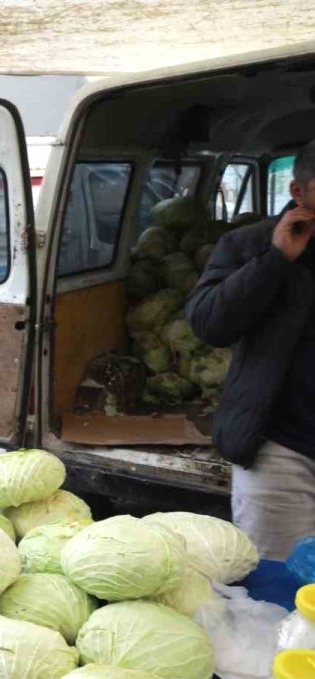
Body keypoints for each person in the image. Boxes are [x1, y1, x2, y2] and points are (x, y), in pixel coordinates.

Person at [187, 139, 315, 560]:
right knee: (280, 586)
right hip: (282, 449)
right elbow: (209, 323)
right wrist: (275, 260)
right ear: (299, 193)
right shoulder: (250, 244)